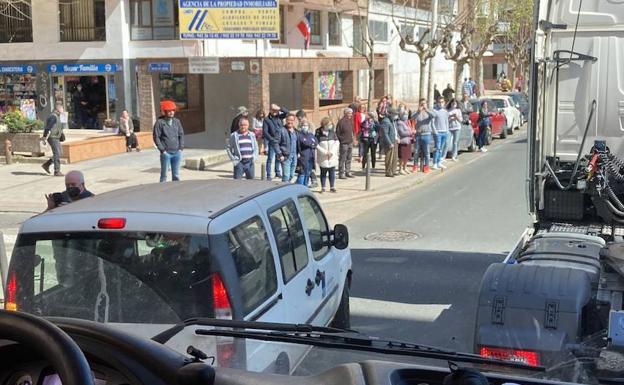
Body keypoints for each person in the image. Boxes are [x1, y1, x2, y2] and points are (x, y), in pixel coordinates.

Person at [153, 100, 185, 182]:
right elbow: (156, 137)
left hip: (177, 152)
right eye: (169, 111)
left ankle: (176, 191)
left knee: (176, 175)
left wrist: (181, 148)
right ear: (164, 112)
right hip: (166, 153)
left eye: (173, 110)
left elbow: (181, 134)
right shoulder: (159, 123)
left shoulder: (177, 122)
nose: (171, 112)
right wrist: (162, 150)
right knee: (164, 175)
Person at [263, 103, 288, 180]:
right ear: (270, 110)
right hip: (272, 141)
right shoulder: (267, 119)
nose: (274, 112)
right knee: (270, 158)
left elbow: (287, 112)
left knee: (279, 157)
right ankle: (268, 175)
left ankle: (277, 172)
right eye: (272, 110)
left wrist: (279, 108)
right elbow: (265, 132)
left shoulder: (279, 117)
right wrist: (272, 139)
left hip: (280, 141)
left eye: (275, 110)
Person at [41, 102, 67, 177]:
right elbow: (48, 127)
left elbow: (58, 127)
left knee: (60, 153)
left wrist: (61, 134)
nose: (63, 110)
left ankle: (46, 164)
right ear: (58, 109)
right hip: (52, 137)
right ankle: (57, 171)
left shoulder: (58, 116)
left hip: (56, 137)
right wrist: (44, 136)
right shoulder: (53, 116)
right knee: (57, 153)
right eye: (62, 108)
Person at [315, 117, 339, 193]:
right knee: (323, 172)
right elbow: (316, 144)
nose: (330, 126)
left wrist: (332, 152)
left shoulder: (332, 132)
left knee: (332, 172)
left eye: (331, 124)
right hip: (323, 156)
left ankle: (332, 186)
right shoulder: (318, 133)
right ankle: (323, 187)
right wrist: (325, 152)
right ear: (324, 125)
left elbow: (337, 142)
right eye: (329, 124)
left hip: (332, 156)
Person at [412, 99, 434, 173]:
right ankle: (415, 166)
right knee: (416, 152)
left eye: (424, 104)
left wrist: (426, 110)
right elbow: (412, 118)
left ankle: (426, 166)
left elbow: (433, 116)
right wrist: (418, 111)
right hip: (418, 134)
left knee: (427, 152)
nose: (423, 105)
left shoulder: (429, 112)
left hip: (426, 134)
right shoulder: (416, 112)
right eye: (421, 104)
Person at [296, 121, 317, 186]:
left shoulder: (311, 135)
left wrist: (312, 143)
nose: (305, 127)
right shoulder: (299, 135)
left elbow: (316, 142)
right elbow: (305, 143)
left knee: (308, 173)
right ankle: (300, 187)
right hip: (303, 157)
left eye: (306, 125)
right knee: (302, 173)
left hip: (311, 157)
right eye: (303, 125)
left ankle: (305, 186)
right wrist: (311, 143)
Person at [379, 108, 399, 177]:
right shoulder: (386, 121)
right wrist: (389, 143)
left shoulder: (392, 121)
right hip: (389, 142)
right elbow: (385, 134)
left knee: (394, 157)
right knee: (389, 157)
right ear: (390, 114)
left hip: (394, 140)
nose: (395, 116)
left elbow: (395, 131)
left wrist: (397, 137)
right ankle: (388, 172)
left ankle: (393, 170)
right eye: (394, 114)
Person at [336, 107, 355, 179]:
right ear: (346, 113)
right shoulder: (341, 122)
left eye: (351, 113)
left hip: (350, 142)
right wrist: (342, 140)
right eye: (349, 113)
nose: (351, 114)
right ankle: (341, 173)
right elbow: (337, 133)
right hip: (344, 143)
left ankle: (348, 171)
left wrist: (353, 138)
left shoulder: (350, 121)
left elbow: (352, 131)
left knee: (349, 158)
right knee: (342, 158)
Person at [280, 113, 299, 182]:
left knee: (291, 175)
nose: (290, 122)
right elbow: (276, 143)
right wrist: (280, 154)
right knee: (286, 176)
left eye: (291, 120)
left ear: (294, 121)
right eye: (288, 120)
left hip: (294, 156)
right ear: (286, 120)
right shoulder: (281, 130)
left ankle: (286, 186)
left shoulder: (296, 131)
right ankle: (283, 190)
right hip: (285, 157)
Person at [432, 97, 450, 170]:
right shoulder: (435, 111)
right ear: (437, 103)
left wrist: (447, 130)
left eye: (442, 102)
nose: (441, 103)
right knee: (437, 148)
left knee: (441, 148)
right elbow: (432, 122)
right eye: (439, 102)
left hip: (444, 132)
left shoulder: (445, 112)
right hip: (438, 132)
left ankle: (439, 162)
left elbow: (446, 121)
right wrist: (435, 131)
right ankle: (435, 163)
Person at [397, 108, 413, 174]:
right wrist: (411, 132)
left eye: (406, 114)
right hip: (403, 141)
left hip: (408, 141)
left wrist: (411, 131)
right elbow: (402, 133)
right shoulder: (400, 123)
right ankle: (400, 169)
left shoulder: (407, 122)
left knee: (407, 156)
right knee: (402, 156)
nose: (405, 116)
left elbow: (409, 129)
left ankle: (405, 167)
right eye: (404, 114)